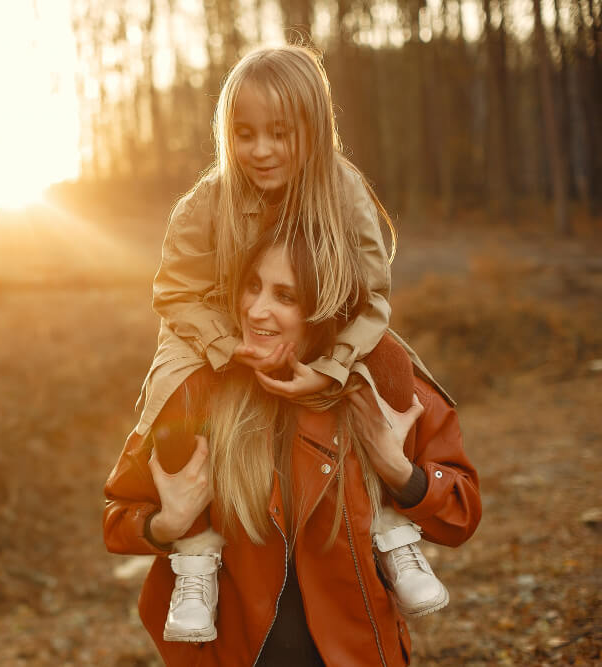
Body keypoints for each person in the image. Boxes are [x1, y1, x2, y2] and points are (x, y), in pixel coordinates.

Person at [134, 44, 454, 641]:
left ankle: (390, 526)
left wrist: (332, 368)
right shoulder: (208, 201)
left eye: (279, 133)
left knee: (385, 357)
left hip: (318, 333)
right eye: (245, 133)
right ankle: (197, 552)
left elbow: (373, 296)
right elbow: (174, 293)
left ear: (315, 127)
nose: (260, 150)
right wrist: (226, 347)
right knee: (172, 387)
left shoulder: (343, 189)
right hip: (217, 336)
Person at [104, 231, 481, 665]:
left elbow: (461, 516)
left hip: (354, 655)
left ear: (325, 309)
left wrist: (401, 473)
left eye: (285, 296)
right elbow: (117, 514)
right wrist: (166, 524)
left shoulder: (382, 388)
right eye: (252, 286)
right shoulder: (197, 392)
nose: (255, 309)